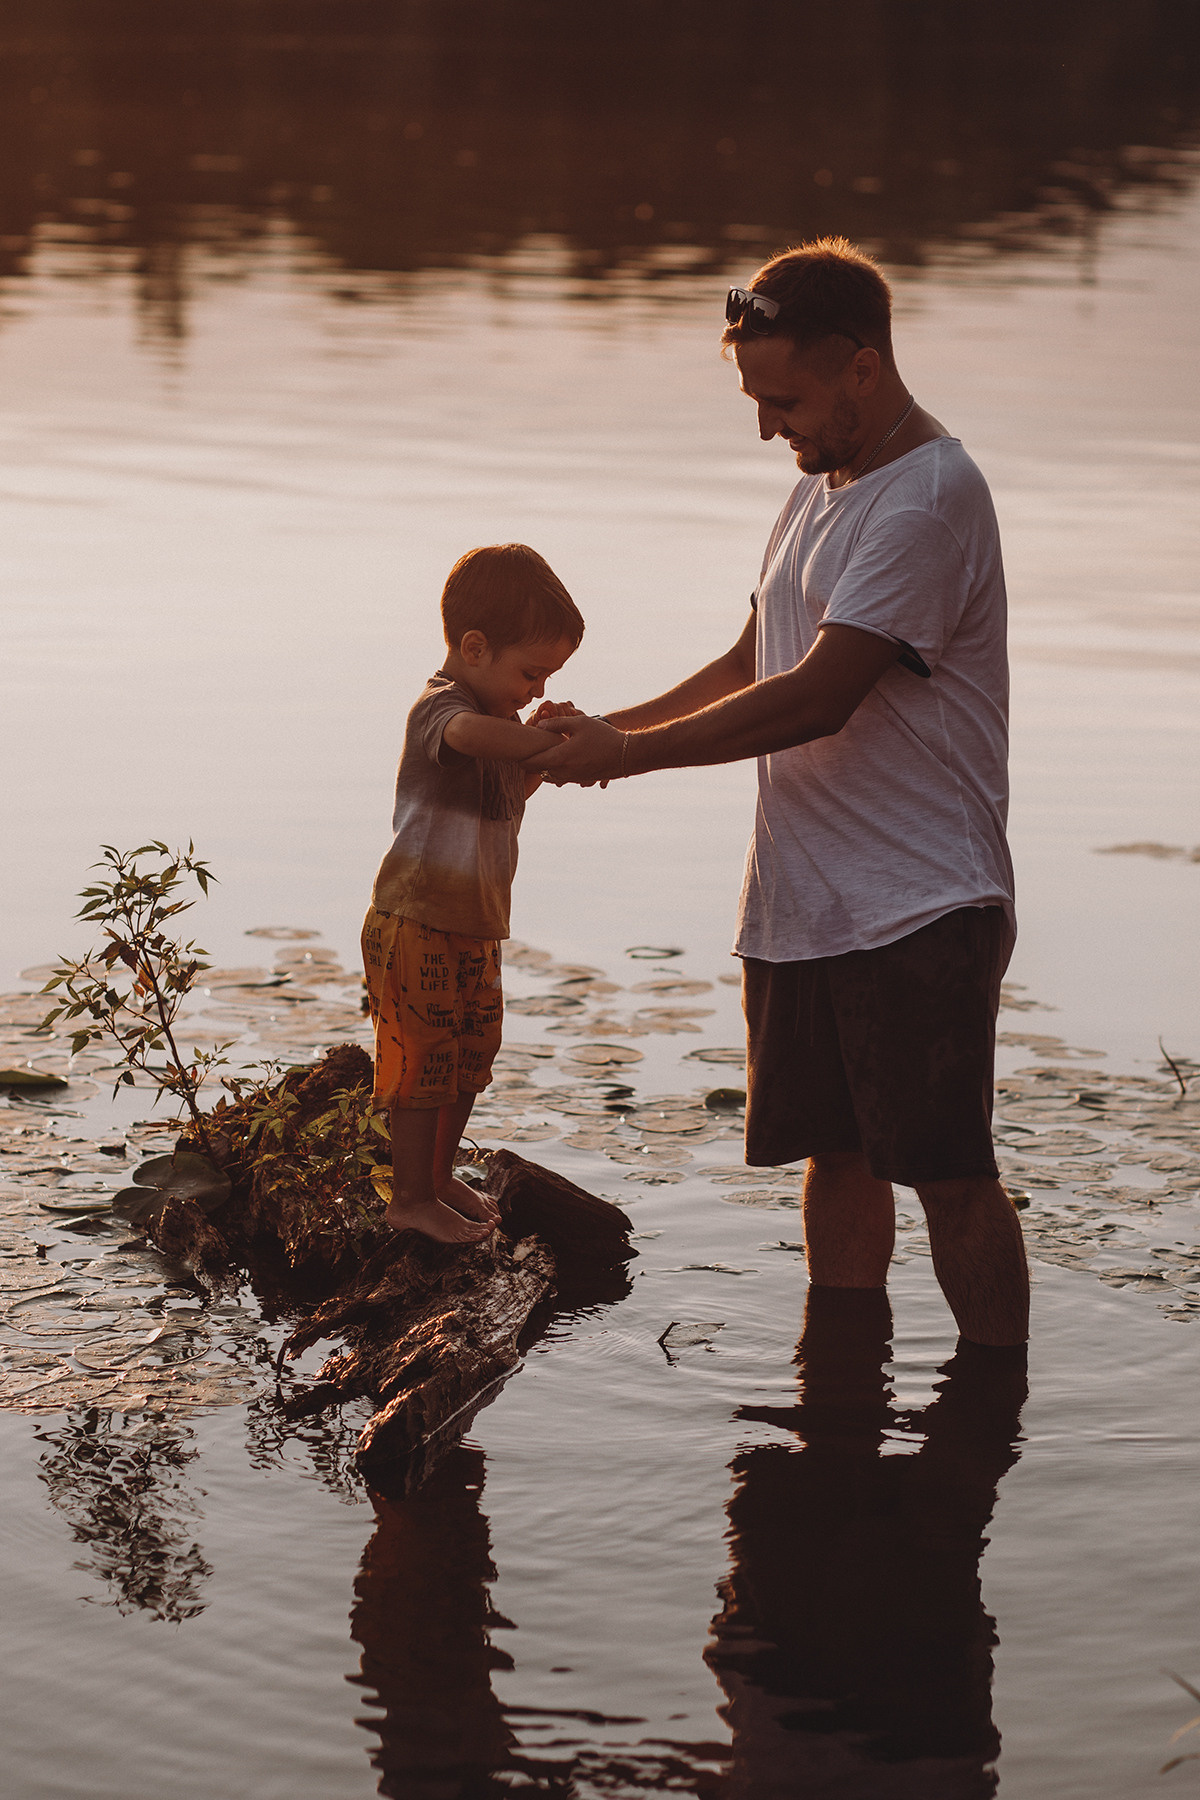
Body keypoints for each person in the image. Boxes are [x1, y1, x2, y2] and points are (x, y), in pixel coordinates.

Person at [532, 237, 1029, 1346]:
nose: (768, 426)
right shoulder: (823, 487)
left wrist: (626, 755)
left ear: (863, 366)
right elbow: (757, 657)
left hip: (919, 903)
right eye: (756, 400)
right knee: (834, 1161)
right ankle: (837, 1413)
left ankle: (993, 1417)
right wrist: (608, 725)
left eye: (784, 398)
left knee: (949, 1176)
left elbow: (818, 697)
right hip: (805, 907)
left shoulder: (929, 499)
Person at [362, 543, 584, 1244]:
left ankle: (435, 1177)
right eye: (530, 674)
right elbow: (467, 735)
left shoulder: (505, 728)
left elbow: (503, 795)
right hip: (417, 918)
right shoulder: (442, 708)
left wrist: (542, 758)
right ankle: (409, 1201)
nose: (532, 691)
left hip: (475, 924)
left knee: (467, 1058)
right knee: (421, 1061)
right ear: (476, 647)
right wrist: (542, 744)